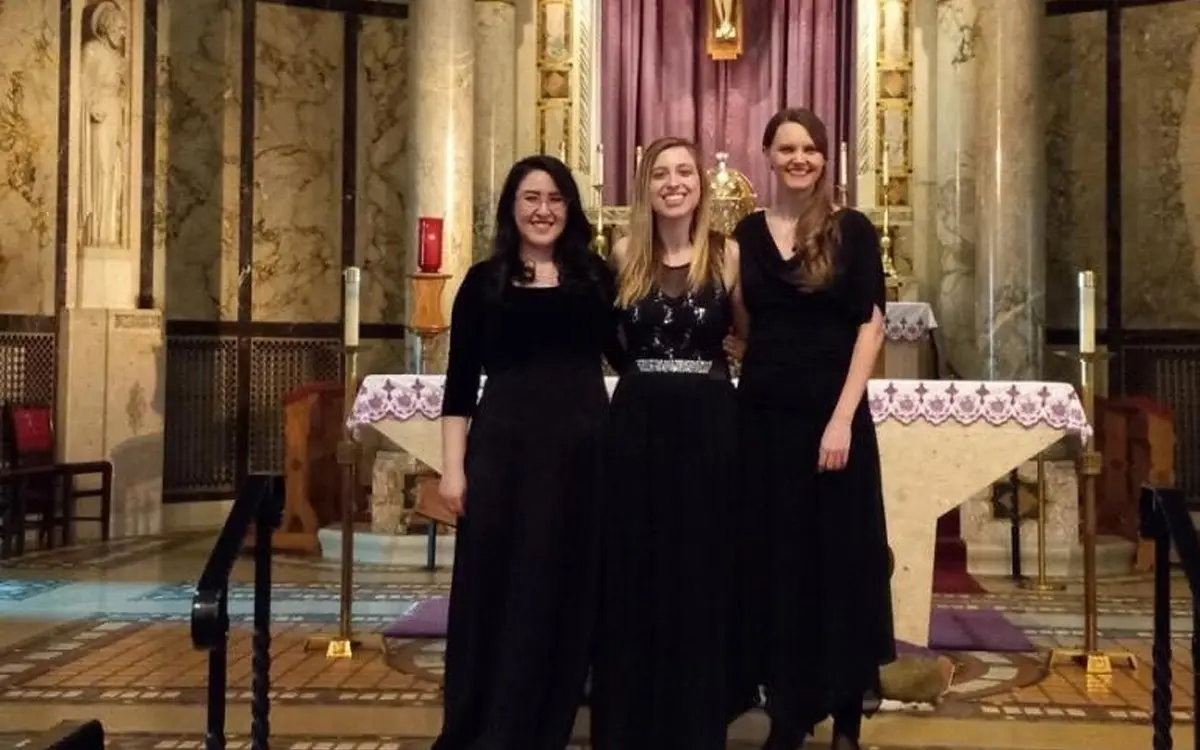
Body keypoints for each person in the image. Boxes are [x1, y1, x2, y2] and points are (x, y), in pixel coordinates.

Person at [433, 155, 621, 750]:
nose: (543, 210)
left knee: (564, 593)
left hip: (581, 461)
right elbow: (459, 387)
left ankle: (547, 727)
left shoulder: (596, 278)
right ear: (512, 209)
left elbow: (629, 357)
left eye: (555, 199)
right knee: (500, 592)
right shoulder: (481, 283)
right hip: (505, 459)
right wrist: (453, 471)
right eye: (531, 198)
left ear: (570, 208)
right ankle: (487, 727)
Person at [733, 108, 896, 750]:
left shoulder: (852, 230)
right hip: (764, 421)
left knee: (841, 564)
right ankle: (788, 713)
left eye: (811, 149)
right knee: (779, 565)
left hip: (834, 421)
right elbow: (744, 322)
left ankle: (846, 720)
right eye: (787, 148)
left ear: (826, 159)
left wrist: (841, 418)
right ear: (767, 156)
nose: (799, 158)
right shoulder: (745, 233)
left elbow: (870, 325)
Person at [590, 136, 749, 750]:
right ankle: (634, 716)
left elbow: (749, 335)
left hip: (710, 425)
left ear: (700, 184)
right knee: (636, 565)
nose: (674, 182)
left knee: (701, 569)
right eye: (661, 172)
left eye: (685, 171)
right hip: (638, 425)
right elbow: (610, 340)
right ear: (645, 185)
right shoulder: (625, 252)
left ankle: (696, 716)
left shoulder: (728, 255)